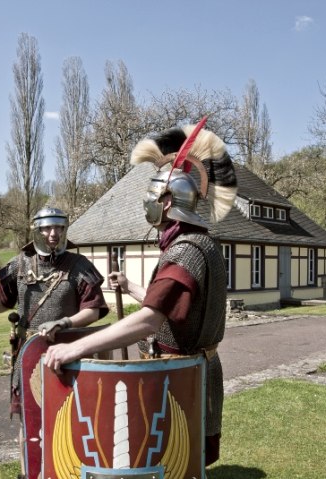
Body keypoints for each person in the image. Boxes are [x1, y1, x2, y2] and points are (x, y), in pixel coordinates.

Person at [44, 122, 238, 468]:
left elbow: (152, 317)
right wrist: (132, 287)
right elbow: (173, 302)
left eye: (152, 195)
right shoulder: (203, 243)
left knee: (175, 459)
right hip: (199, 365)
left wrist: (79, 346)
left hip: (181, 372)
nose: (146, 203)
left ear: (167, 202)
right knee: (185, 457)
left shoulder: (185, 250)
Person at [0, 205, 109, 477]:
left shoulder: (79, 266)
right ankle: (30, 474)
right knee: (29, 424)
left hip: (69, 355)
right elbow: (0, 305)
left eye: (59, 227)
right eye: (48, 228)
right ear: (36, 230)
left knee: (70, 420)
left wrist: (64, 323)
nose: (54, 234)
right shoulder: (20, 264)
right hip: (28, 358)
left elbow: (94, 309)